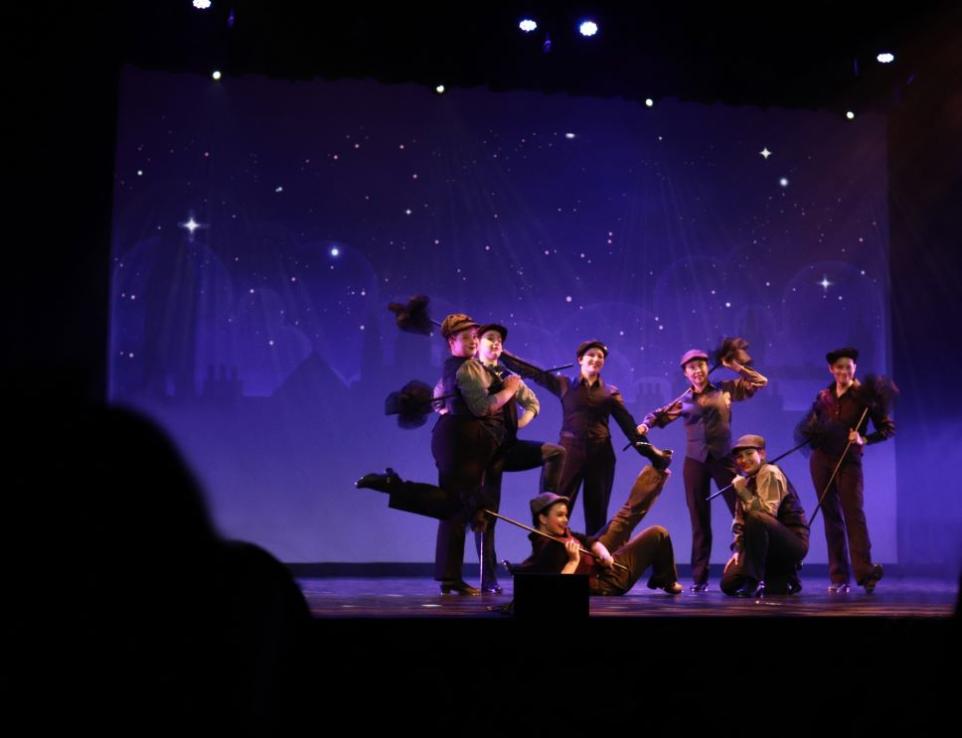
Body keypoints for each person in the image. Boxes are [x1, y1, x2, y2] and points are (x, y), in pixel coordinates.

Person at [501, 340, 671, 536]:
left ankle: (593, 564)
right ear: (580, 359)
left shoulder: (610, 392)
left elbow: (630, 428)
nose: (596, 359)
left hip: (601, 457)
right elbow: (534, 372)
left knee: (597, 516)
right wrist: (502, 355)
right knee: (556, 509)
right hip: (569, 454)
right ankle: (549, 559)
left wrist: (651, 453)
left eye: (600, 357)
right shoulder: (564, 384)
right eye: (591, 355)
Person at [638, 348, 767, 591]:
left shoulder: (725, 389)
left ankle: (753, 572)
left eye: (701, 366)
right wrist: (645, 425)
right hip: (695, 462)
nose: (697, 371)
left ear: (707, 368)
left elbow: (760, 382)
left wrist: (736, 366)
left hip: (723, 459)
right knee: (699, 519)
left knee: (744, 513)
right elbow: (659, 415)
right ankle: (700, 579)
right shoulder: (684, 400)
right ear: (686, 373)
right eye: (691, 368)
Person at [472, 323, 565, 593]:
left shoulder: (508, 374)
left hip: (507, 448)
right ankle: (487, 577)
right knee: (487, 514)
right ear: (478, 343)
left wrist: (519, 423)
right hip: (484, 453)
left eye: (499, 340)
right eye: (490, 338)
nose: (496, 343)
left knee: (556, 452)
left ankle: (543, 512)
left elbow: (533, 403)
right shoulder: (470, 371)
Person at [798, 347, 893, 593]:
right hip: (821, 460)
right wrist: (814, 431)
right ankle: (838, 577)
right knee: (831, 517)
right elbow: (811, 424)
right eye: (838, 367)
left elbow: (887, 428)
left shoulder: (865, 397)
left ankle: (865, 573)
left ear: (855, 368)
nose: (843, 371)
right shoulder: (824, 396)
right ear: (831, 369)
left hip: (848, 461)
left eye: (848, 366)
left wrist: (864, 439)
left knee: (853, 515)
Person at [511, 465, 682, 595]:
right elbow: (558, 591)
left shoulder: (560, 533)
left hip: (599, 562)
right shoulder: (546, 550)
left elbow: (587, 540)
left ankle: (657, 469)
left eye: (566, 514)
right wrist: (572, 561)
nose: (565, 519)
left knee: (623, 518)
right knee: (658, 533)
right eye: (560, 515)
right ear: (542, 519)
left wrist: (601, 551)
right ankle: (666, 580)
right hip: (606, 579)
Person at [720, 434, 809, 597]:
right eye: (739, 456)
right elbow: (739, 521)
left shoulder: (770, 472)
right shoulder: (745, 482)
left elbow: (766, 514)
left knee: (756, 517)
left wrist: (742, 491)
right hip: (763, 545)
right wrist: (738, 550)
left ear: (761, 454)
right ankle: (782, 576)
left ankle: (755, 580)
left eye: (749, 453)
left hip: (791, 542)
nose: (743, 460)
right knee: (728, 584)